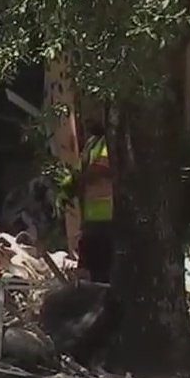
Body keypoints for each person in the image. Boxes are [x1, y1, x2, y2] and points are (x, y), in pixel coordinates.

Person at [76, 117, 113, 283]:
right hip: (91, 219)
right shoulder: (91, 143)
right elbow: (78, 170)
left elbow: (100, 170)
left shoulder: (110, 143)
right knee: (88, 272)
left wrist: (76, 181)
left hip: (109, 218)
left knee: (104, 273)